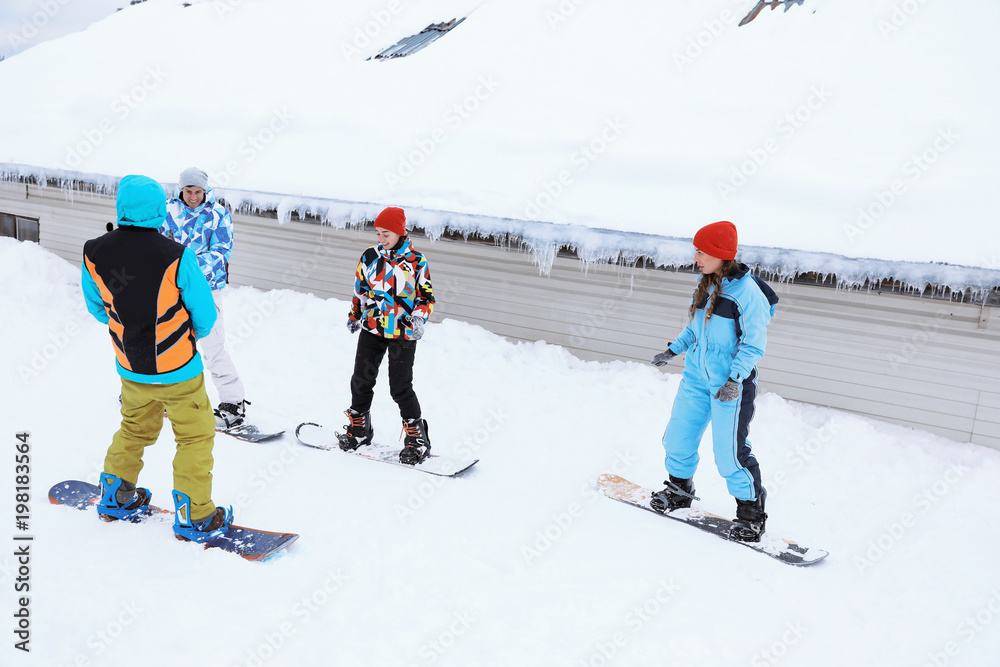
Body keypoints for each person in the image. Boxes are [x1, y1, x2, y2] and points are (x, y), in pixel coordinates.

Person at [82, 174, 233, 541]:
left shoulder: (94, 250)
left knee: (134, 429)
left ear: (121, 206)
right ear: (157, 208)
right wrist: (181, 332)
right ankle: (195, 516)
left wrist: (128, 323)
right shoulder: (176, 255)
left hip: (131, 367)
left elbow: (97, 308)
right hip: (179, 368)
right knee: (194, 438)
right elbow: (206, 315)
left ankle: (117, 495)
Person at [648, 220, 778, 542]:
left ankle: (751, 514)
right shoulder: (706, 284)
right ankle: (680, 490)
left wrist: (734, 380)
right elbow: (696, 328)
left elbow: (753, 346)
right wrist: (673, 349)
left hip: (730, 386)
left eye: (702, 252)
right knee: (677, 437)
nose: (696, 257)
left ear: (722, 256)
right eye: (696, 250)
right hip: (696, 377)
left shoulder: (747, 295)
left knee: (729, 453)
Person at [340, 206, 435, 465]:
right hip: (373, 328)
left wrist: (418, 318)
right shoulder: (370, 257)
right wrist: (355, 314)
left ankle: (417, 439)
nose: (381, 239)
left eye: (386, 234)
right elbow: (360, 289)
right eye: (378, 233)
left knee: (400, 386)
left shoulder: (416, 261)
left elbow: (426, 297)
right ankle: (360, 428)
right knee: (361, 380)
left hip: (403, 332)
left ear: (399, 232)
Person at [161, 167, 248, 430]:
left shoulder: (218, 214)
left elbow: (222, 250)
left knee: (212, 345)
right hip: (172, 289)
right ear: (181, 189)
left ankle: (233, 403)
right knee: (168, 342)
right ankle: (160, 395)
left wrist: (189, 270)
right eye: (189, 191)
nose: (193, 196)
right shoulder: (168, 211)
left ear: (206, 190)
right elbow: (159, 245)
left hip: (206, 290)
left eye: (198, 191)